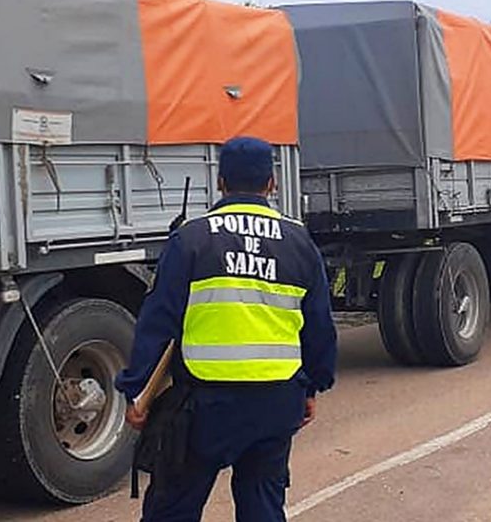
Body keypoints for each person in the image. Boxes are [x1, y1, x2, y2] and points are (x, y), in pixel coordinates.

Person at [116, 136, 338, 522]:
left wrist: (137, 391)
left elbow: (158, 321)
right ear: (272, 183)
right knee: (263, 507)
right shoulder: (299, 241)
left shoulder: (191, 238)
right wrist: (314, 385)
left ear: (220, 182)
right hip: (276, 401)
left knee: (173, 508)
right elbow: (319, 324)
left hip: (203, 408)